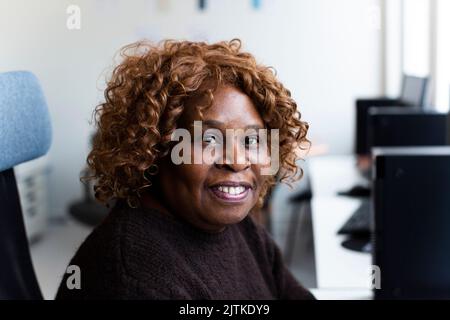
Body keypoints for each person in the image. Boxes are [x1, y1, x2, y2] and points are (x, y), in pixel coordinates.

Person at [56, 39, 313, 299]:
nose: (237, 161)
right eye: (209, 139)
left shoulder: (237, 226)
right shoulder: (136, 280)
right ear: (154, 148)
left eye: (252, 140)